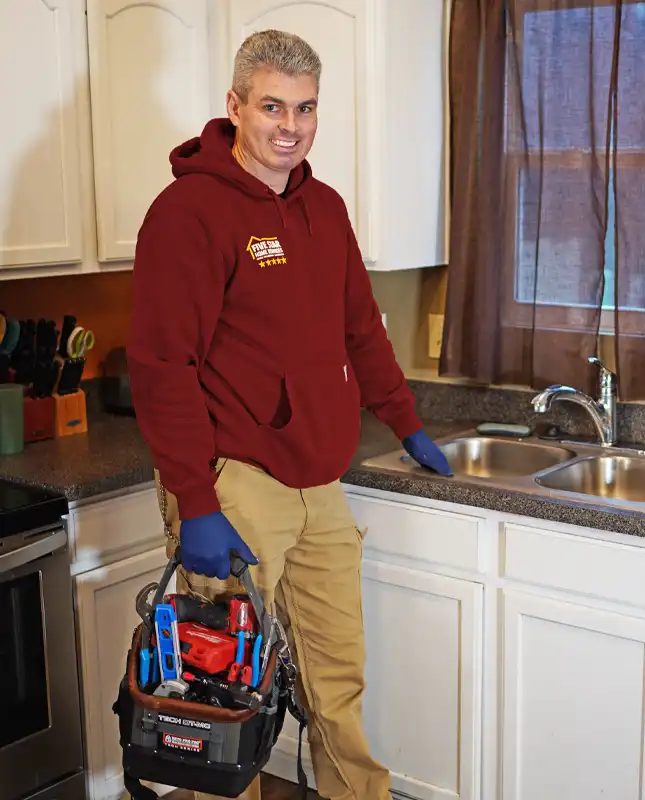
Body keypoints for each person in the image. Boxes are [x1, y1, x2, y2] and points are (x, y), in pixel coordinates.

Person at [127, 27, 453, 800]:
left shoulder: (323, 207)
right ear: (235, 106)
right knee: (219, 699)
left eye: (305, 108)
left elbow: (361, 328)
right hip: (233, 484)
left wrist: (404, 420)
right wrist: (196, 503)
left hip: (319, 486)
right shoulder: (188, 212)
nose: (290, 125)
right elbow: (161, 367)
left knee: (338, 687)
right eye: (272, 105)